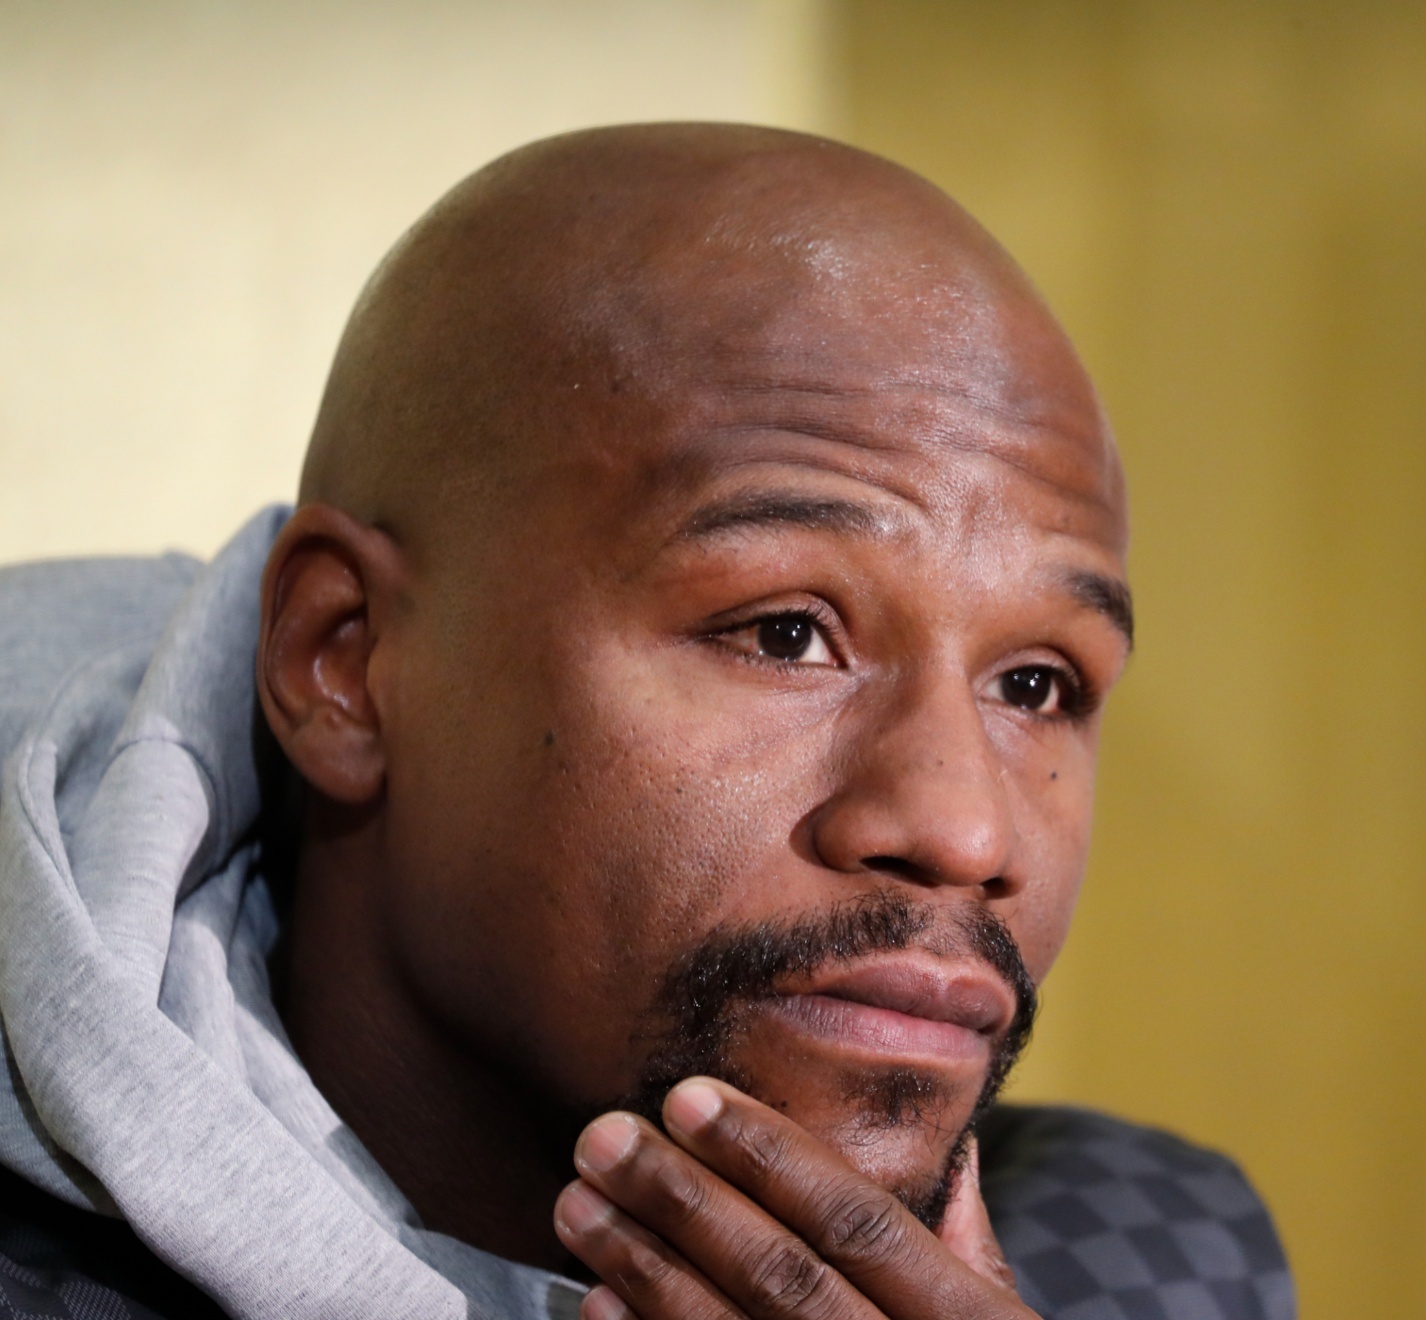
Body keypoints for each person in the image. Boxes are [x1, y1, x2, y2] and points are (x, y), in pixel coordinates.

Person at [0, 125, 1292, 1320]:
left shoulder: (1154, 1258)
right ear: (344, 661)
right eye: (786, 632)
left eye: (1036, 685)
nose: (962, 828)